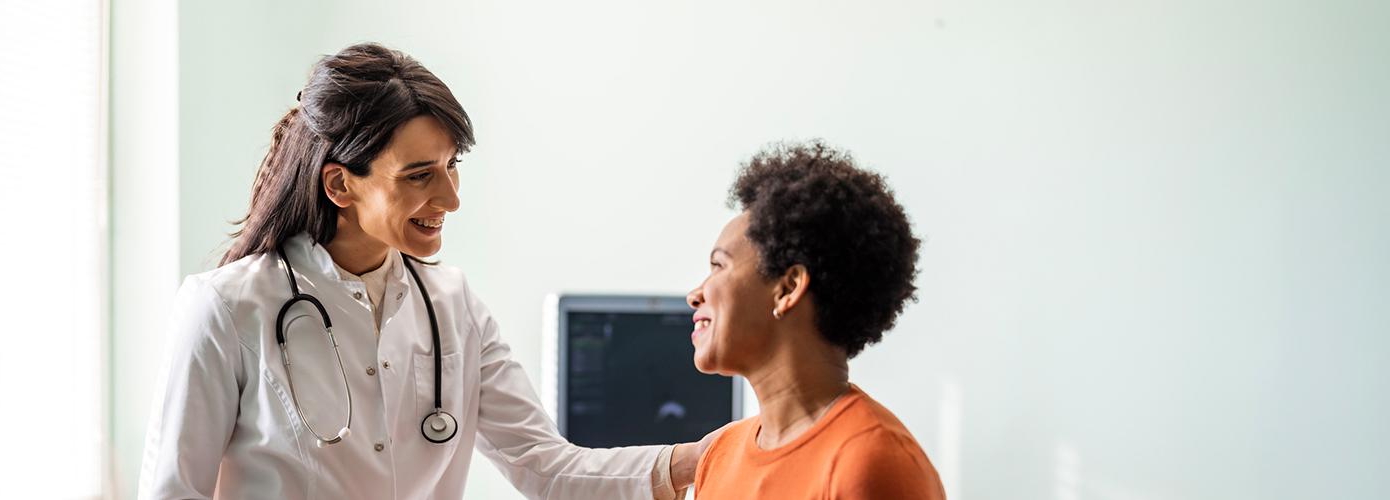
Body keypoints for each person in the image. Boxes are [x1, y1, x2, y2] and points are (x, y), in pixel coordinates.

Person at [138, 42, 708, 500]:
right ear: (340, 183)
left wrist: (705, 457)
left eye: (450, 166)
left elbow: (547, 468)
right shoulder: (228, 306)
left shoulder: (452, 305)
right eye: (418, 175)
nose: (451, 199)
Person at [686, 141, 945, 499]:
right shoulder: (719, 455)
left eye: (718, 266)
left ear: (788, 288)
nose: (695, 294)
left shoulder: (871, 462)